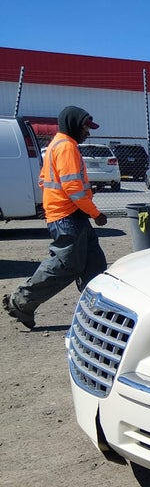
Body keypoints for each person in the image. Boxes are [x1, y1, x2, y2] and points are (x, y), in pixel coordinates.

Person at [3, 106, 108, 330]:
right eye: (85, 128)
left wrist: (57, 202)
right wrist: (96, 213)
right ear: (73, 125)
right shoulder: (67, 147)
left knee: (94, 266)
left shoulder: (55, 145)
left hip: (71, 216)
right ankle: (22, 301)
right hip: (68, 218)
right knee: (65, 265)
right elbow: (73, 189)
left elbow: (44, 180)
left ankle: (99, 314)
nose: (88, 132)